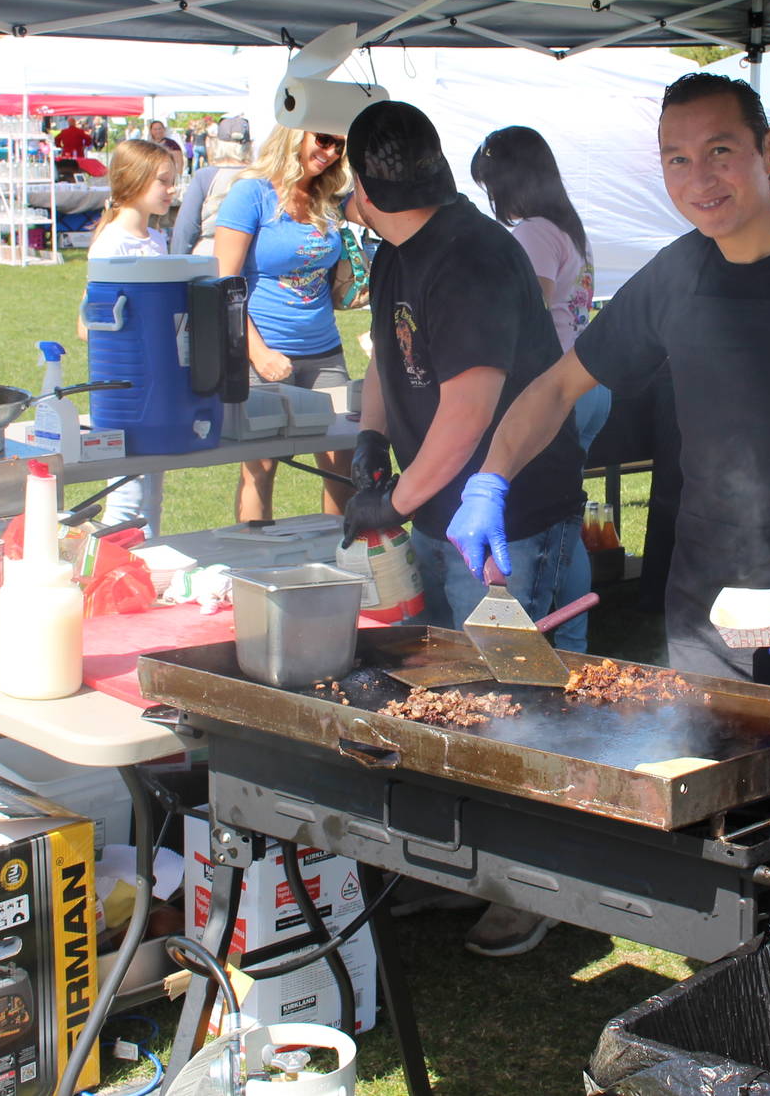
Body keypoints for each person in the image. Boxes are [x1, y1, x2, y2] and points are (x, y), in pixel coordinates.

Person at [449, 71, 770, 702]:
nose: (699, 180)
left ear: (769, 152)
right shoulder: (675, 277)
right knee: (699, 772)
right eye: (677, 160)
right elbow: (556, 388)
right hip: (700, 596)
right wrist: (490, 479)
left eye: (720, 152)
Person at [338, 101, 586, 959]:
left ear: (366, 185)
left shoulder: (475, 253)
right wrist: (372, 437)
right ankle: (463, 868)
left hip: (511, 518)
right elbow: (385, 357)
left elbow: (471, 403)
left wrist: (395, 501)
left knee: (526, 705)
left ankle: (537, 883)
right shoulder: (393, 254)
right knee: (458, 700)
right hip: (444, 510)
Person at [469, 125, 603, 652]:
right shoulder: (569, 228)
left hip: (557, 388)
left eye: (491, 187)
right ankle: (574, 637)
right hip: (589, 382)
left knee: (545, 513)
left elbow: (528, 312)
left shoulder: (533, 234)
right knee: (566, 508)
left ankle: (555, 636)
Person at [211, 126, 358, 519]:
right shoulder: (252, 194)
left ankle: (341, 557)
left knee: (341, 463)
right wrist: (257, 354)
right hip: (263, 352)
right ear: (295, 135)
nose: (330, 153)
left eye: (339, 146)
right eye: (323, 140)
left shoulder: (329, 196)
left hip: (324, 351)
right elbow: (224, 283)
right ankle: (254, 566)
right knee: (260, 466)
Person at [86, 140, 178, 537]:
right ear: (135, 179)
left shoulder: (156, 239)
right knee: (126, 493)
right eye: (163, 181)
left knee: (152, 493)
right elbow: (93, 317)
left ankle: (147, 566)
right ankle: (112, 570)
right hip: (125, 383)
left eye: (173, 181)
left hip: (157, 377)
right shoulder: (111, 243)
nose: (171, 190)